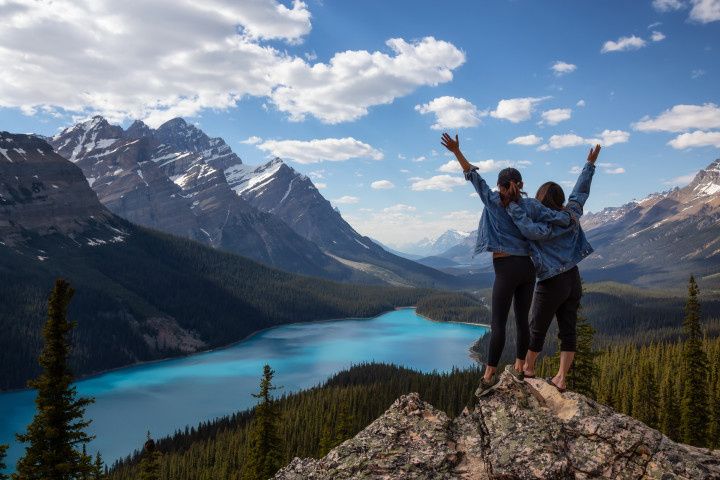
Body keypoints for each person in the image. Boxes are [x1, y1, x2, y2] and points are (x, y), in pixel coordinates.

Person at [441, 133, 572, 395]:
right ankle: (520, 367)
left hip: (505, 268)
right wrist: (571, 217)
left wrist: (456, 151)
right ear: (521, 184)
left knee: (498, 323)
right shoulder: (531, 206)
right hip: (528, 269)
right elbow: (556, 215)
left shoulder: (492, 201)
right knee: (522, 321)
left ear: (500, 185)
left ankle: (489, 376)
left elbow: (472, 176)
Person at [504, 144, 601, 392]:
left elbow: (526, 229)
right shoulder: (571, 214)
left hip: (551, 282)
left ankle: (528, 369)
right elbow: (580, 194)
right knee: (568, 330)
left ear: (540, 200)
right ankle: (560, 378)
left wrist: (513, 205)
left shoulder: (540, 226)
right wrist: (589, 165)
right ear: (559, 199)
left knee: (537, 326)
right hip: (573, 279)